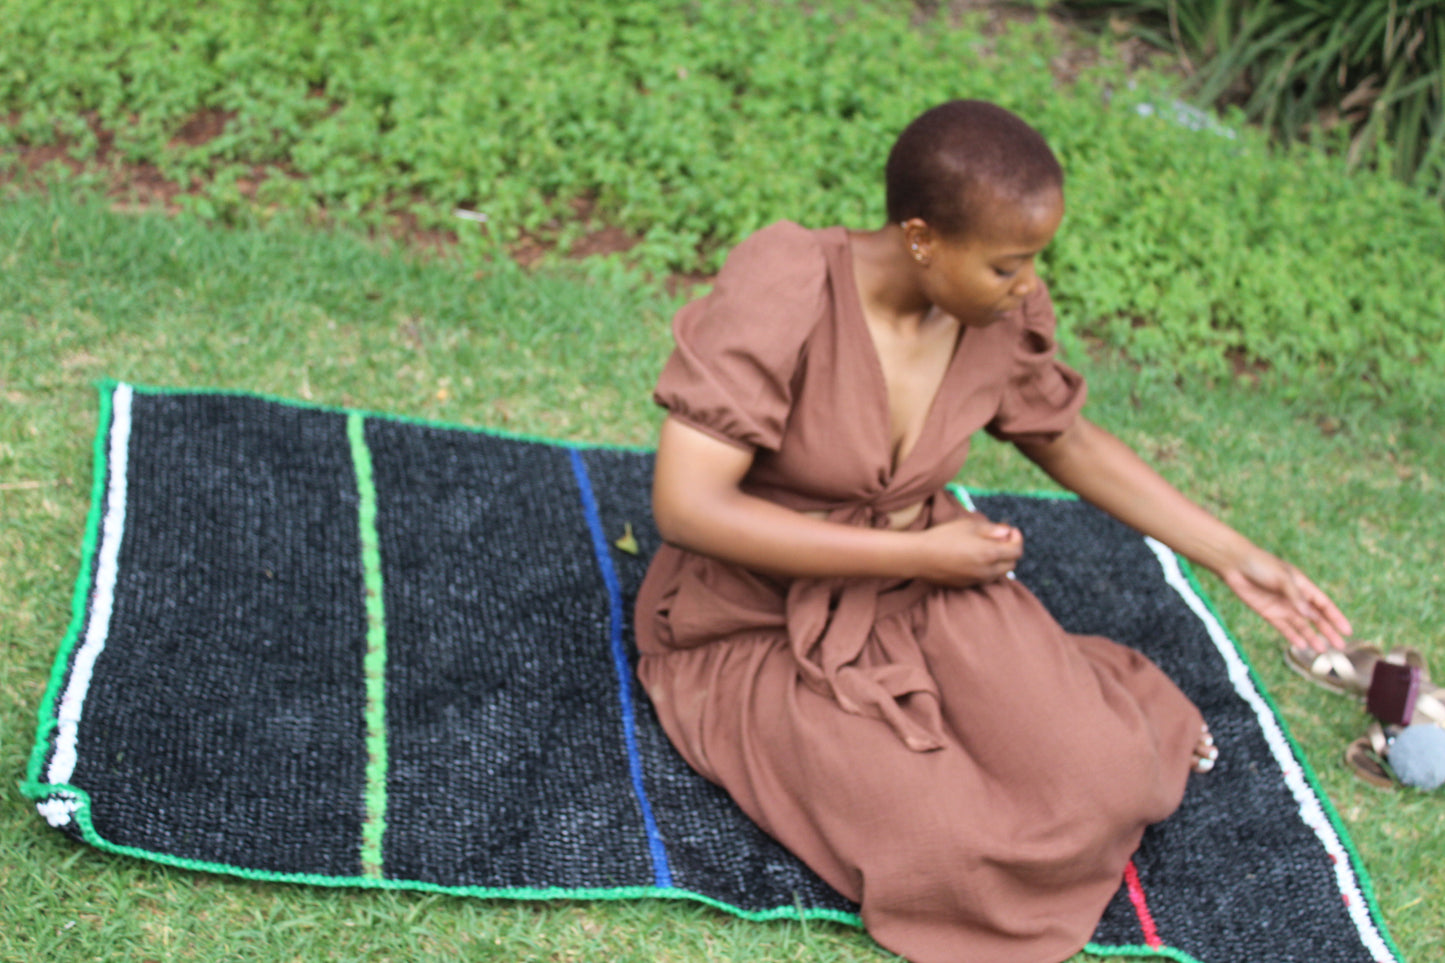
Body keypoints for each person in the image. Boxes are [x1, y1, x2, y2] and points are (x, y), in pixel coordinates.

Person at [632, 100, 1352, 963]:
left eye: (1032, 262)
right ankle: (1034, 700)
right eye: (1009, 265)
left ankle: (1094, 684)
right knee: (947, 851)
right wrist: (918, 552)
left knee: (1109, 782)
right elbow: (688, 507)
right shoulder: (789, 282)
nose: (1027, 287)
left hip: (926, 585)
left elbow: (1064, 434)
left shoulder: (992, 309)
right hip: (756, 618)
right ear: (922, 237)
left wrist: (1236, 556)